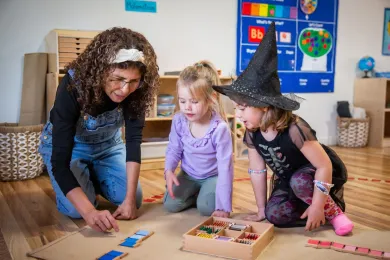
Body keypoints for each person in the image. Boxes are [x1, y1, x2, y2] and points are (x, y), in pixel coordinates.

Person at [212, 22, 354, 236]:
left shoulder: (296, 129)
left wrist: (318, 205)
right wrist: (261, 209)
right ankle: (310, 207)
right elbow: (258, 172)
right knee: (274, 215)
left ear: (265, 105)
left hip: (314, 175)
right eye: (235, 108)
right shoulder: (252, 132)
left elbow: (324, 166)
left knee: (300, 181)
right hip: (289, 180)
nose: (238, 114)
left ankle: (332, 212)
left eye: (242, 108)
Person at [38, 27, 159, 233]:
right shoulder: (72, 86)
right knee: (77, 211)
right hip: (71, 149)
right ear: (101, 70)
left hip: (108, 146)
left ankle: (92, 176)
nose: (124, 90)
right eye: (117, 79)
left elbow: (133, 142)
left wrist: (129, 200)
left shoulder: (137, 92)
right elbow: (60, 163)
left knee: (134, 199)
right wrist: (89, 213)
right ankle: (85, 181)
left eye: (133, 81)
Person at [163, 60, 234, 218]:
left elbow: (225, 168)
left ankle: (206, 194)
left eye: (194, 102)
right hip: (188, 174)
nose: (187, 107)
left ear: (211, 99)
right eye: (182, 101)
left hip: (213, 177)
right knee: (170, 204)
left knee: (207, 209)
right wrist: (169, 170)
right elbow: (174, 149)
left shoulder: (219, 128)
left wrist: (224, 206)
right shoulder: (179, 120)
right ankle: (197, 194)